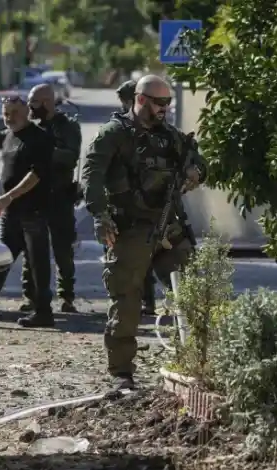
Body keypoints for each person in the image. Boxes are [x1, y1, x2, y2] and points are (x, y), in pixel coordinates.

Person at [80, 74, 206, 393]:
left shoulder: (171, 137)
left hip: (169, 226)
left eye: (168, 102)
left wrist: (196, 172)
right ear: (140, 99)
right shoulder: (115, 134)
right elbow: (91, 174)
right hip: (131, 228)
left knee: (192, 291)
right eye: (159, 102)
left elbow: (199, 162)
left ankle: (196, 363)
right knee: (127, 301)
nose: (165, 108)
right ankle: (122, 373)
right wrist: (100, 215)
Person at [0, 96, 54, 328]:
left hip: (33, 211)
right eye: (6, 113)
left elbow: (36, 174)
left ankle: (43, 311)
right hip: (11, 212)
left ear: (27, 112)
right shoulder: (9, 136)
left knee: (37, 264)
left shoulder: (39, 138)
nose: (9, 118)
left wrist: (8, 196)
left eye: (14, 112)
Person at [18, 83, 82, 314]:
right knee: (32, 250)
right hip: (34, 197)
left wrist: (46, 152)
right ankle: (32, 295)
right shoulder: (29, 126)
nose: (29, 107)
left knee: (63, 249)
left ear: (46, 102)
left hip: (59, 196)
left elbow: (71, 156)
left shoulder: (67, 127)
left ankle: (67, 296)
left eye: (33, 102)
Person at [117, 79, 158, 315]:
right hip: (124, 199)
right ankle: (129, 301)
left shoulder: (150, 127)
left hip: (144, 199)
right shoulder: (120, 125)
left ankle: (146, 301)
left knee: (144, 256)